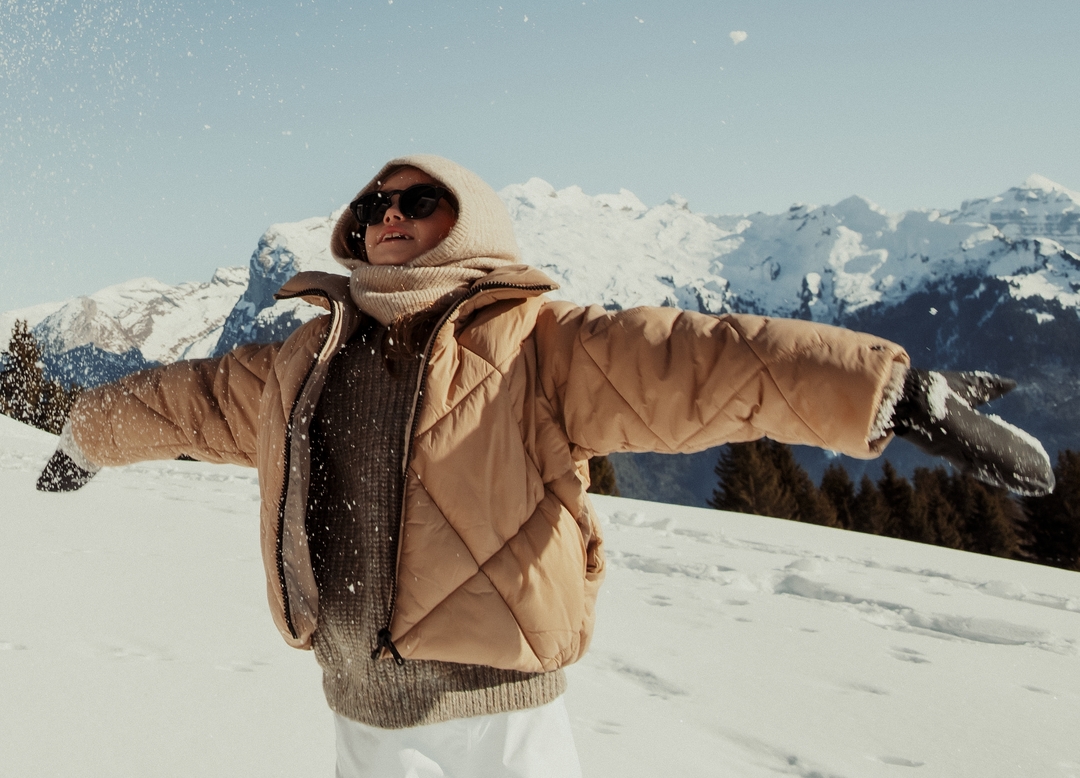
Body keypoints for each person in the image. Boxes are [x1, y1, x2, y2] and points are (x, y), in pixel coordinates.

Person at [32, 154, 1053, 778]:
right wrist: (87, 433)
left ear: (469, 222)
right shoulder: (309, 355)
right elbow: (191, 400)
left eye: (419, 200)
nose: (390, 215)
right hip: (361, 706)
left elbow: (706, 363)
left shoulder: (539, 343)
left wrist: (890, 392)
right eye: (374, 205)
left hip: (502, 718)